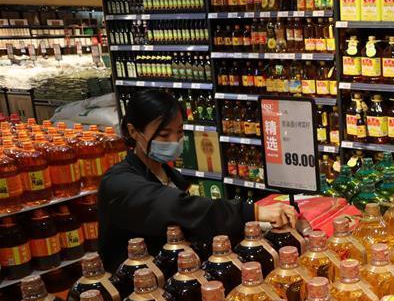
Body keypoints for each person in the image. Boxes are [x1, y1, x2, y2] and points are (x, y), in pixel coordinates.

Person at [99, 89, 298, 271]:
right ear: (133, 131)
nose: (174, 141)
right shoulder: (118, 183)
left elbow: (195, 225)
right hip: (135, 286)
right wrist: (251, 212)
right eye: (164, 134)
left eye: (179, 132)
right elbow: (179, 208)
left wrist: (258, 226)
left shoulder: (172, 176)